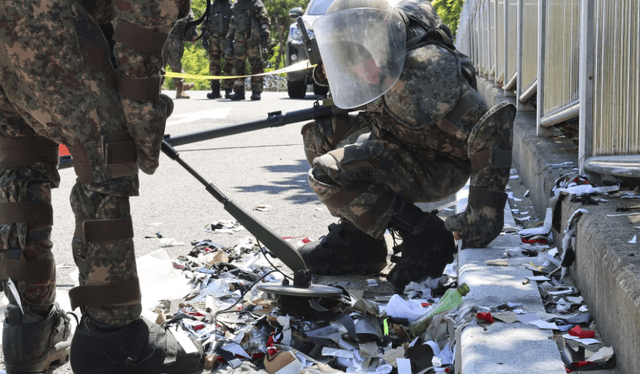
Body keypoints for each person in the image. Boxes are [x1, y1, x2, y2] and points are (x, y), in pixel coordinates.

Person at [0, 1, 205, 373]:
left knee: (20, 164)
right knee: (106, 161)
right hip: (51, 23)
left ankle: (29, 331)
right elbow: (146, 15)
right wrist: (142, 120)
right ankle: (114, 339)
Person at [298, 0, 516, 292]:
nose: (347, 59)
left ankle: (425, 235)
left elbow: (491, 128)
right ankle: (362, 243)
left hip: (437, 165)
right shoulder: (377, 58)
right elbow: (368, 99)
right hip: (401, 141)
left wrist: (483, 216)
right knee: (320, 134)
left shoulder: (423, 74)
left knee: (326, 172)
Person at [225, 0, 271, 101]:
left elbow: (264, 20)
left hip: (253, 39)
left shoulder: (256, 3)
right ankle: (238, 91)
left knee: (256, 65)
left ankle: (256, 91)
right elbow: (232, 23)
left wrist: (265, 35)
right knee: (238, 65)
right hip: (239, 39)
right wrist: (229, 39)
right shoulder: (237, 5)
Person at [162, 10, 199, 99]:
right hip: (172, 38)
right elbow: (190, 19)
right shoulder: (183, 4)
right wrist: (194, 35)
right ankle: (179, 90)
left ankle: (160, 88)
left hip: (163, 37)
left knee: (161, 63)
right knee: (174, 64)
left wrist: (194, 34)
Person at [203, 0, 235, 100]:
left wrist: (233, 39)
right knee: (213, 65)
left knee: (229, 64)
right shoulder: (211, 6)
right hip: (213, 40)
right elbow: (205, 23)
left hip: (227, 40)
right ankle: (215, 90)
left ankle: (228, 90)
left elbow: (235, 23)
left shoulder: (232, 6)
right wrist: (204, 39)